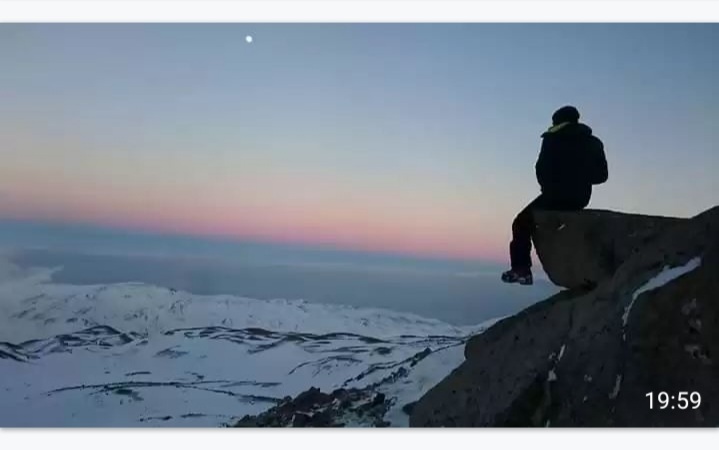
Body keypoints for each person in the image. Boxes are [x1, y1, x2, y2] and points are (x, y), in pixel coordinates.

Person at [501, 105, 608, 285]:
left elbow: (541, 168)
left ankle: (522, 270)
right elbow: (601, 176)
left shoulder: (553, 138)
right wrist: (581, 175)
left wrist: (550, 185)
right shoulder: (593, 142)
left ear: (558, 121)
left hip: (555, 195)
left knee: (521, 222)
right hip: (581, 197)